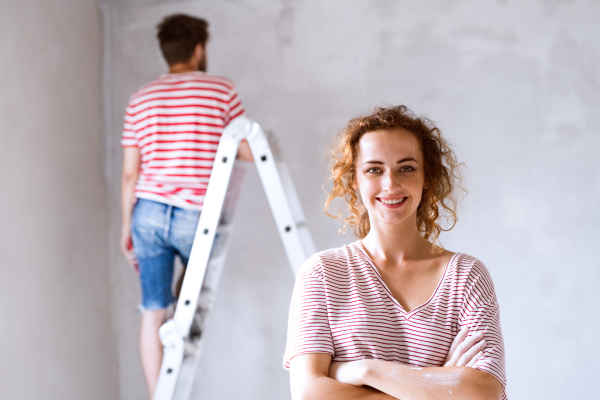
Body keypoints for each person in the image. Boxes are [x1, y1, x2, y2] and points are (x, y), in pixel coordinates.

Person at [284, 106, 507, 399]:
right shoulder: (323, 273)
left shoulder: (466, 276)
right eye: (374, 169)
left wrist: (366, 371)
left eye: (407, 168)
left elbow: (484, 390)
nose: (391, 183)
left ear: (427, 176)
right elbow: (309, 393)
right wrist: (439, 389)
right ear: (354, 180)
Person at [120, 14, 253, 398]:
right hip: (198, 215)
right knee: (186, 302)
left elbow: (131, 173)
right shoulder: (220, 90)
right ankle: (175, 331)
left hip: (146, 212)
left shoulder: (140, 98)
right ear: (199, 49)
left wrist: (125, 227)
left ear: (167, 52)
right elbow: (244, 150)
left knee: (151, 310)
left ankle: (156, 393)